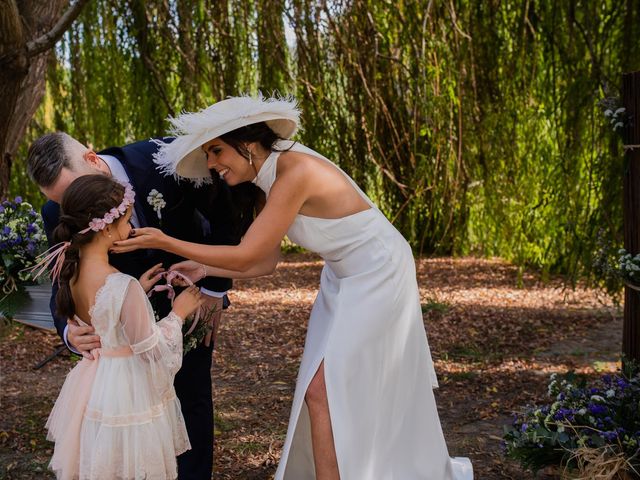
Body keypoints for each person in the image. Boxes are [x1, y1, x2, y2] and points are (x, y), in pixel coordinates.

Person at [112, 95, 474, 479]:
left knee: (325, 390)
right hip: (341, 278)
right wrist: (202, 267)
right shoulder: (267, 180)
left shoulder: (294, 171)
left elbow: (249, 253)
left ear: (248, 145)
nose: (213, 164)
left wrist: (165, 242)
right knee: (320, 392)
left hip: (379, 272)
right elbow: (265, 261)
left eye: (216, 151)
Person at [26, 132, 252, 478]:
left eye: (75, 192)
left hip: (186, 303)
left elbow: (223, 212)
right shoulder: (53, 210)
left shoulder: (166, 158)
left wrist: (215, 290)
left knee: (190, 401)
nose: (71, 206)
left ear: (91, 159)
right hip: (117, 340)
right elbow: (62, 276)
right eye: (63, 202)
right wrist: (70, 331)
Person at [41, 174, 204, 479]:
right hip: (127, 390)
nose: (130, 228)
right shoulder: (121, 284)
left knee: (103, 462)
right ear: (105, 228)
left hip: (96, 384)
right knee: (131, 465)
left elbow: (105, 316)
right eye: (127, 220)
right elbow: (154, 351)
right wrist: (179, 314)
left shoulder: (73, 274)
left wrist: (136, 293)